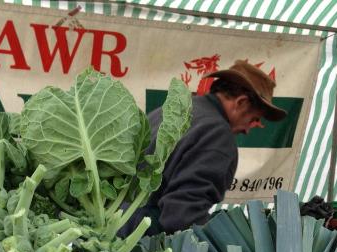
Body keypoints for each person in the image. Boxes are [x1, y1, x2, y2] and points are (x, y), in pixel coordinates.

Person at [121, 59, 287, 236]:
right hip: (138, 246)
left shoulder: (175, 111)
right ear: (241, 102)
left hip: (114, 231)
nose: (247, 130)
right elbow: (183, 217)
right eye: (254, 119)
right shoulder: (217, 135)